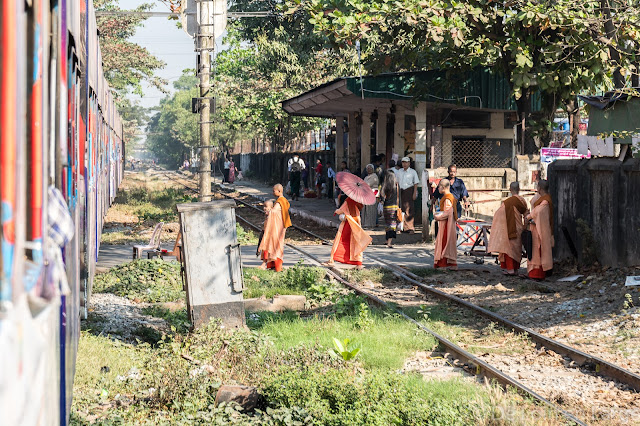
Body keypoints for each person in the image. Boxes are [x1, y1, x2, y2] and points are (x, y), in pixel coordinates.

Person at [487, 182, 529, 275]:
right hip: (519, 228)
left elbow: (499, 215)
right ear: (519, 189)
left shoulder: (506, 203)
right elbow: (526, 215)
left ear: (510, 190)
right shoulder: (522, 200)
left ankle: (510, 269)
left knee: (508, 249)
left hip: (509, 229)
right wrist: (525, 227)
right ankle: (516, 269)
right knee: (517, 249)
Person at [326, 195, 372, 269]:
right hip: (356, 221)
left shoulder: (348, 200)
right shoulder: (359, 200)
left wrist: (336, 211)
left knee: (340, 240)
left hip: (349, 222)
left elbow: (341, 210)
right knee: (356, 242)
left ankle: (333, 258)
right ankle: (358, 261)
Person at [258, 185, 292, 272]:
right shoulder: (284, 201)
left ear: (279, 191)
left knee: (273, 245)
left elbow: (274, 212)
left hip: (277, 228)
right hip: (281, 226)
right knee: (276, 245)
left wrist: (269, 211)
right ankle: (273, 265)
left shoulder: (280, 201)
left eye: (274, 191)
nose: (273, 193)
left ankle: (274, 265)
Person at [526, 179, 554, 280]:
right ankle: (533, 273)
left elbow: (538, 212)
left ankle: (537, 274)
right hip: (537, 228)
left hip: (540, 229)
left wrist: (529, 217)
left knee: (538, 252)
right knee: (534, 251)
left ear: (539, 188)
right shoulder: (542, 198)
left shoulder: (545, 201)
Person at [434, 179, 458, 269]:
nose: (438, 188)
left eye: (439, 186)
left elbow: (448, 212)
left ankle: (444, 264)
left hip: (446, 225)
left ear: (443, 188)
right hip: (447, 223)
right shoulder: (449, 196)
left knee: (444, 242)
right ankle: (449, 264)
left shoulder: (448, 198)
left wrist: (437, 217)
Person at [395, 157, 420, 234]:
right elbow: (397, 183)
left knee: (409, 209)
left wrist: (414, 193)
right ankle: (401, 227)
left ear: (409, 163)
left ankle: (410, 228)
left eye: (406, 162)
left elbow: (415, 184)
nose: (404, 164)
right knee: (401, 209)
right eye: (403, 162)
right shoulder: (399, 172)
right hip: (401, 191)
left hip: (409, 190)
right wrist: (397, 194)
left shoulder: (413, 172)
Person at [380, 170, 400, 248]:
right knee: (392, 224)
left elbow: (382, 195)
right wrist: (398, 206)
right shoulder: (396, 185)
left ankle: (386, 240)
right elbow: (397, 197)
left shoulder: (384, 186)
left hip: (386, 207)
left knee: (387, 224)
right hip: (393, 206)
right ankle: (389, 242)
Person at [361, 164, 380, 228]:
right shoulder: (366, 177)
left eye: (370, 168)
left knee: (371, 210)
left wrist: (361, 185)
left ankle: (371, 223)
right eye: (367, 169)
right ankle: (365, 222)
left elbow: (367, 184)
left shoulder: (374, 176)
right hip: (365, 195)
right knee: (365, 209)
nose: (369, 170)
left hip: (372, 194)